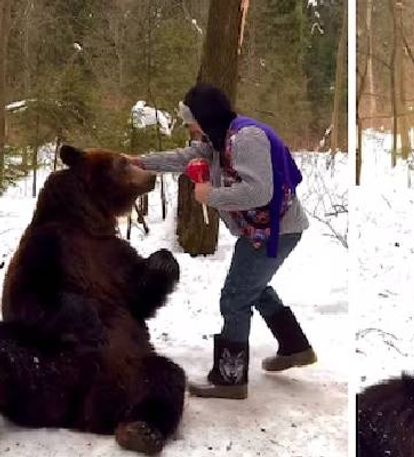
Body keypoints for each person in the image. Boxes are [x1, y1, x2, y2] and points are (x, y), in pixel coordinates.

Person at [134, 84, 317, 400]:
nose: (189, 127)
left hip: (276, 231)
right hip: (264, 230)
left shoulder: (246, 139)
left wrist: (212, 195)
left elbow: (261, 192)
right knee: (253, 287)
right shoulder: (218, 141)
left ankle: (230, 379)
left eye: (191, 120)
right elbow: (185, 157)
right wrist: (139, 161)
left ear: (205, 117)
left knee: (235, 297)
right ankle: (295, 347)